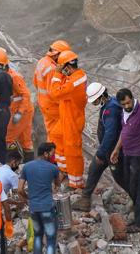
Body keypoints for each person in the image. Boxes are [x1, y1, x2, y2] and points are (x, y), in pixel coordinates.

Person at [110, 88, 140, 233]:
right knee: (131, 185)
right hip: (127, 153)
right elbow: (124, 132)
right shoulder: (124, 112)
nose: (127, 106)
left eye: (128, 102)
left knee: (138, 188)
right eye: (123, 104)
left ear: (132, 98)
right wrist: (117, 149)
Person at [75, 82, 124, 212]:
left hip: (113, 150)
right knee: (94, 168)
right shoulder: (109, 103)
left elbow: (111, 133)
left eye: (94, 100)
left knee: (120, 177)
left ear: (101, 96)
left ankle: (137, 200)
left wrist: (101, 153)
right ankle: (85, 199)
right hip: (108, 149)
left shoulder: (110, 109)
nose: (93, 103)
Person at [48, 50, 88, 188]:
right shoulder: (75, 76)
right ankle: (64, 169)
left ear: (67, 67)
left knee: (72, 151)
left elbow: (54, 93)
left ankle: (76, 182)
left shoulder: (75, 81)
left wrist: (57, 74)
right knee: (55, 136)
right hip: (67, 116)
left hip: (73, 119)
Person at [18, 142, 62, 254]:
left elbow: (20, 189)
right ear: (46, 153)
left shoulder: (27, 167)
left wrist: (28, 199)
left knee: (38, 236)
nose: (53, 156)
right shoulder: (53, 168)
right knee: (51, 239)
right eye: (52, 154)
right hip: (47, 207)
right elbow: (58, 185)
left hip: (33, 208)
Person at [0, 48, 34, 161]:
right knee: (25, 140)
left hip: (22, 112)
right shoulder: (1, 75)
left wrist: (19, 113)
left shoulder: (14, 77)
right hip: (19, 111)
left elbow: (26, 95)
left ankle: (13, 163)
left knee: (7, 138)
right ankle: (27, 164)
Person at [33, 40, 71, 163]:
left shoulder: (42, 62)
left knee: (51, 133)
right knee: (58, 135)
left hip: (44, 104)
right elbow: (55, 93)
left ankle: (50, 158)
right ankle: (55, 160)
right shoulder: (52, 69)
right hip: (53, 107)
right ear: (57, 55)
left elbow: (35, 83)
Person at [0, 150, 24, 254]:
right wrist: (22, 202)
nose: (18, 166)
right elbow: (19, 192)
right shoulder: (12, 175)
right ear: (13, 162)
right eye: (18, 163)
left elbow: (1, 196)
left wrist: (15, 203)